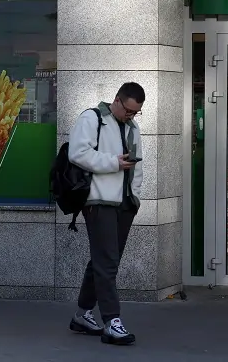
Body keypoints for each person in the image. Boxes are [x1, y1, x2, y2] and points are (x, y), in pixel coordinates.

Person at [67, 82, 145, 345]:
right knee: (107, 262)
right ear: (117, 101)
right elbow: (77, 153)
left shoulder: (133, 127)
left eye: (136, 112)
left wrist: (134, 197)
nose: (131, 116)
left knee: (103, 261)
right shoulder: (93, 118)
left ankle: (81, 314)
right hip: (98, 201)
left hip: (124, 204)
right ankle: (112, 321)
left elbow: (137, 166)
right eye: (129, 111)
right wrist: (113, 163)